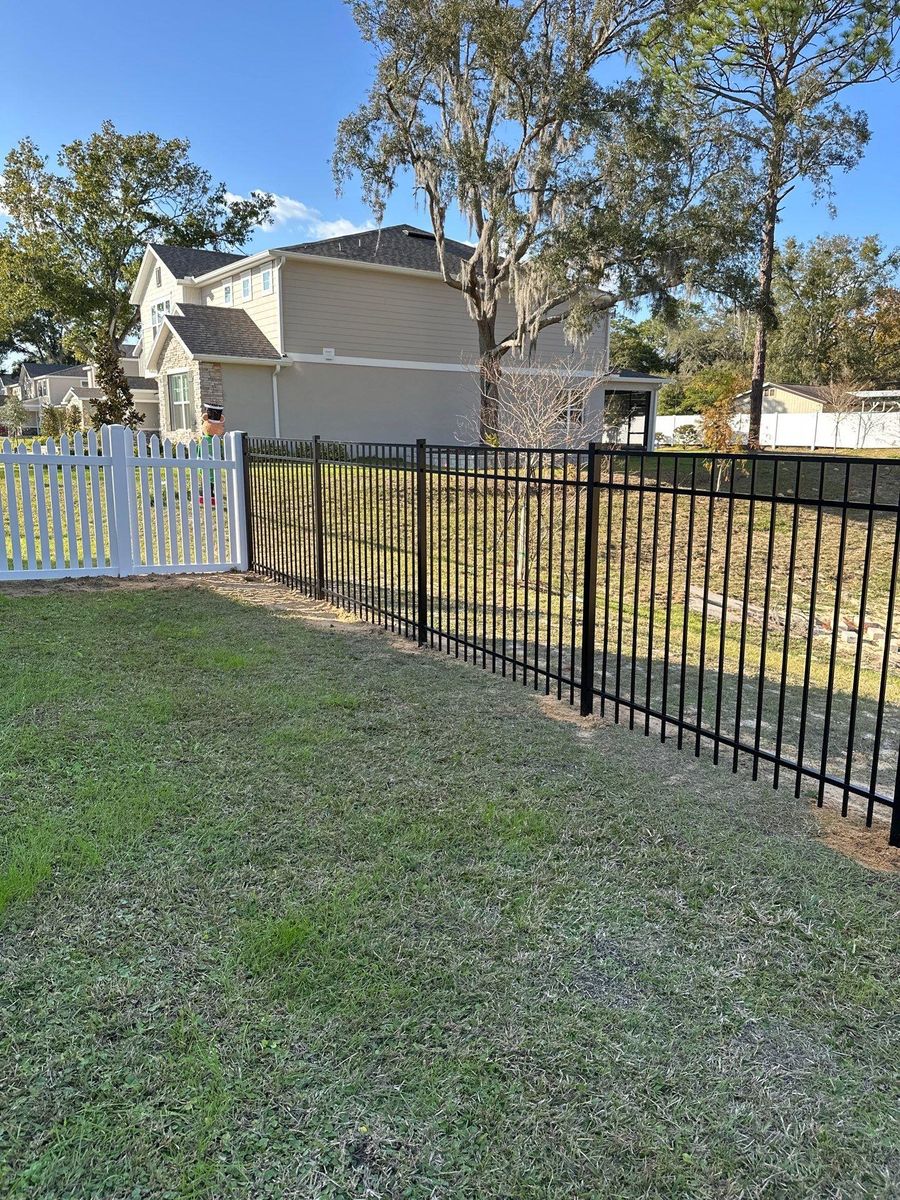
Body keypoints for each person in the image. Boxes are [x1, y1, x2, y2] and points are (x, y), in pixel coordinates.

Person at [199, 404, 225, 506]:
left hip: (213, 464)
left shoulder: (217, 440)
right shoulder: (205, 440)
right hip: (207, 463)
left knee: (211, 482)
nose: (221, 428)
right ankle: (204, 496)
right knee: (206, 482)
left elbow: (221, 451)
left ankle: (211, 497)